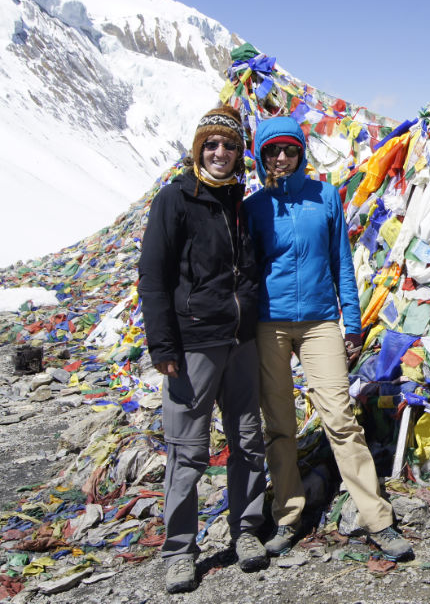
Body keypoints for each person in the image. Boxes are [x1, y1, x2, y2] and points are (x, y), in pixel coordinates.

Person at [245, 116, 413, 561]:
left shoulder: (324, 198)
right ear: (262, 156)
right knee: (279, 425)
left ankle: (377, 518)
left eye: (290, 150)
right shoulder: (254, 206)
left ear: (302, 152)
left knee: (340, 417)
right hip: (269, 325)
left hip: (320, 322)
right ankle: (287, 517)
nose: (282, 158)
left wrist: (352, 323)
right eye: (272, 151)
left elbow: (341, 261)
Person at [138, 105, 269, 594]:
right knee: (187, 451)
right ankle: (179, 550)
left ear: (240, 154)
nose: (220, 153)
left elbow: (250, 269)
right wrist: (162, 345)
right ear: (199, 150)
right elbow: (153, 278)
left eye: (230, 146)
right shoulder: (175, 200)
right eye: (211, 145)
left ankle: (248, 531)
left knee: (247, 441)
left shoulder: (241, 201)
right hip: (192, 345)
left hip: (241, 343)